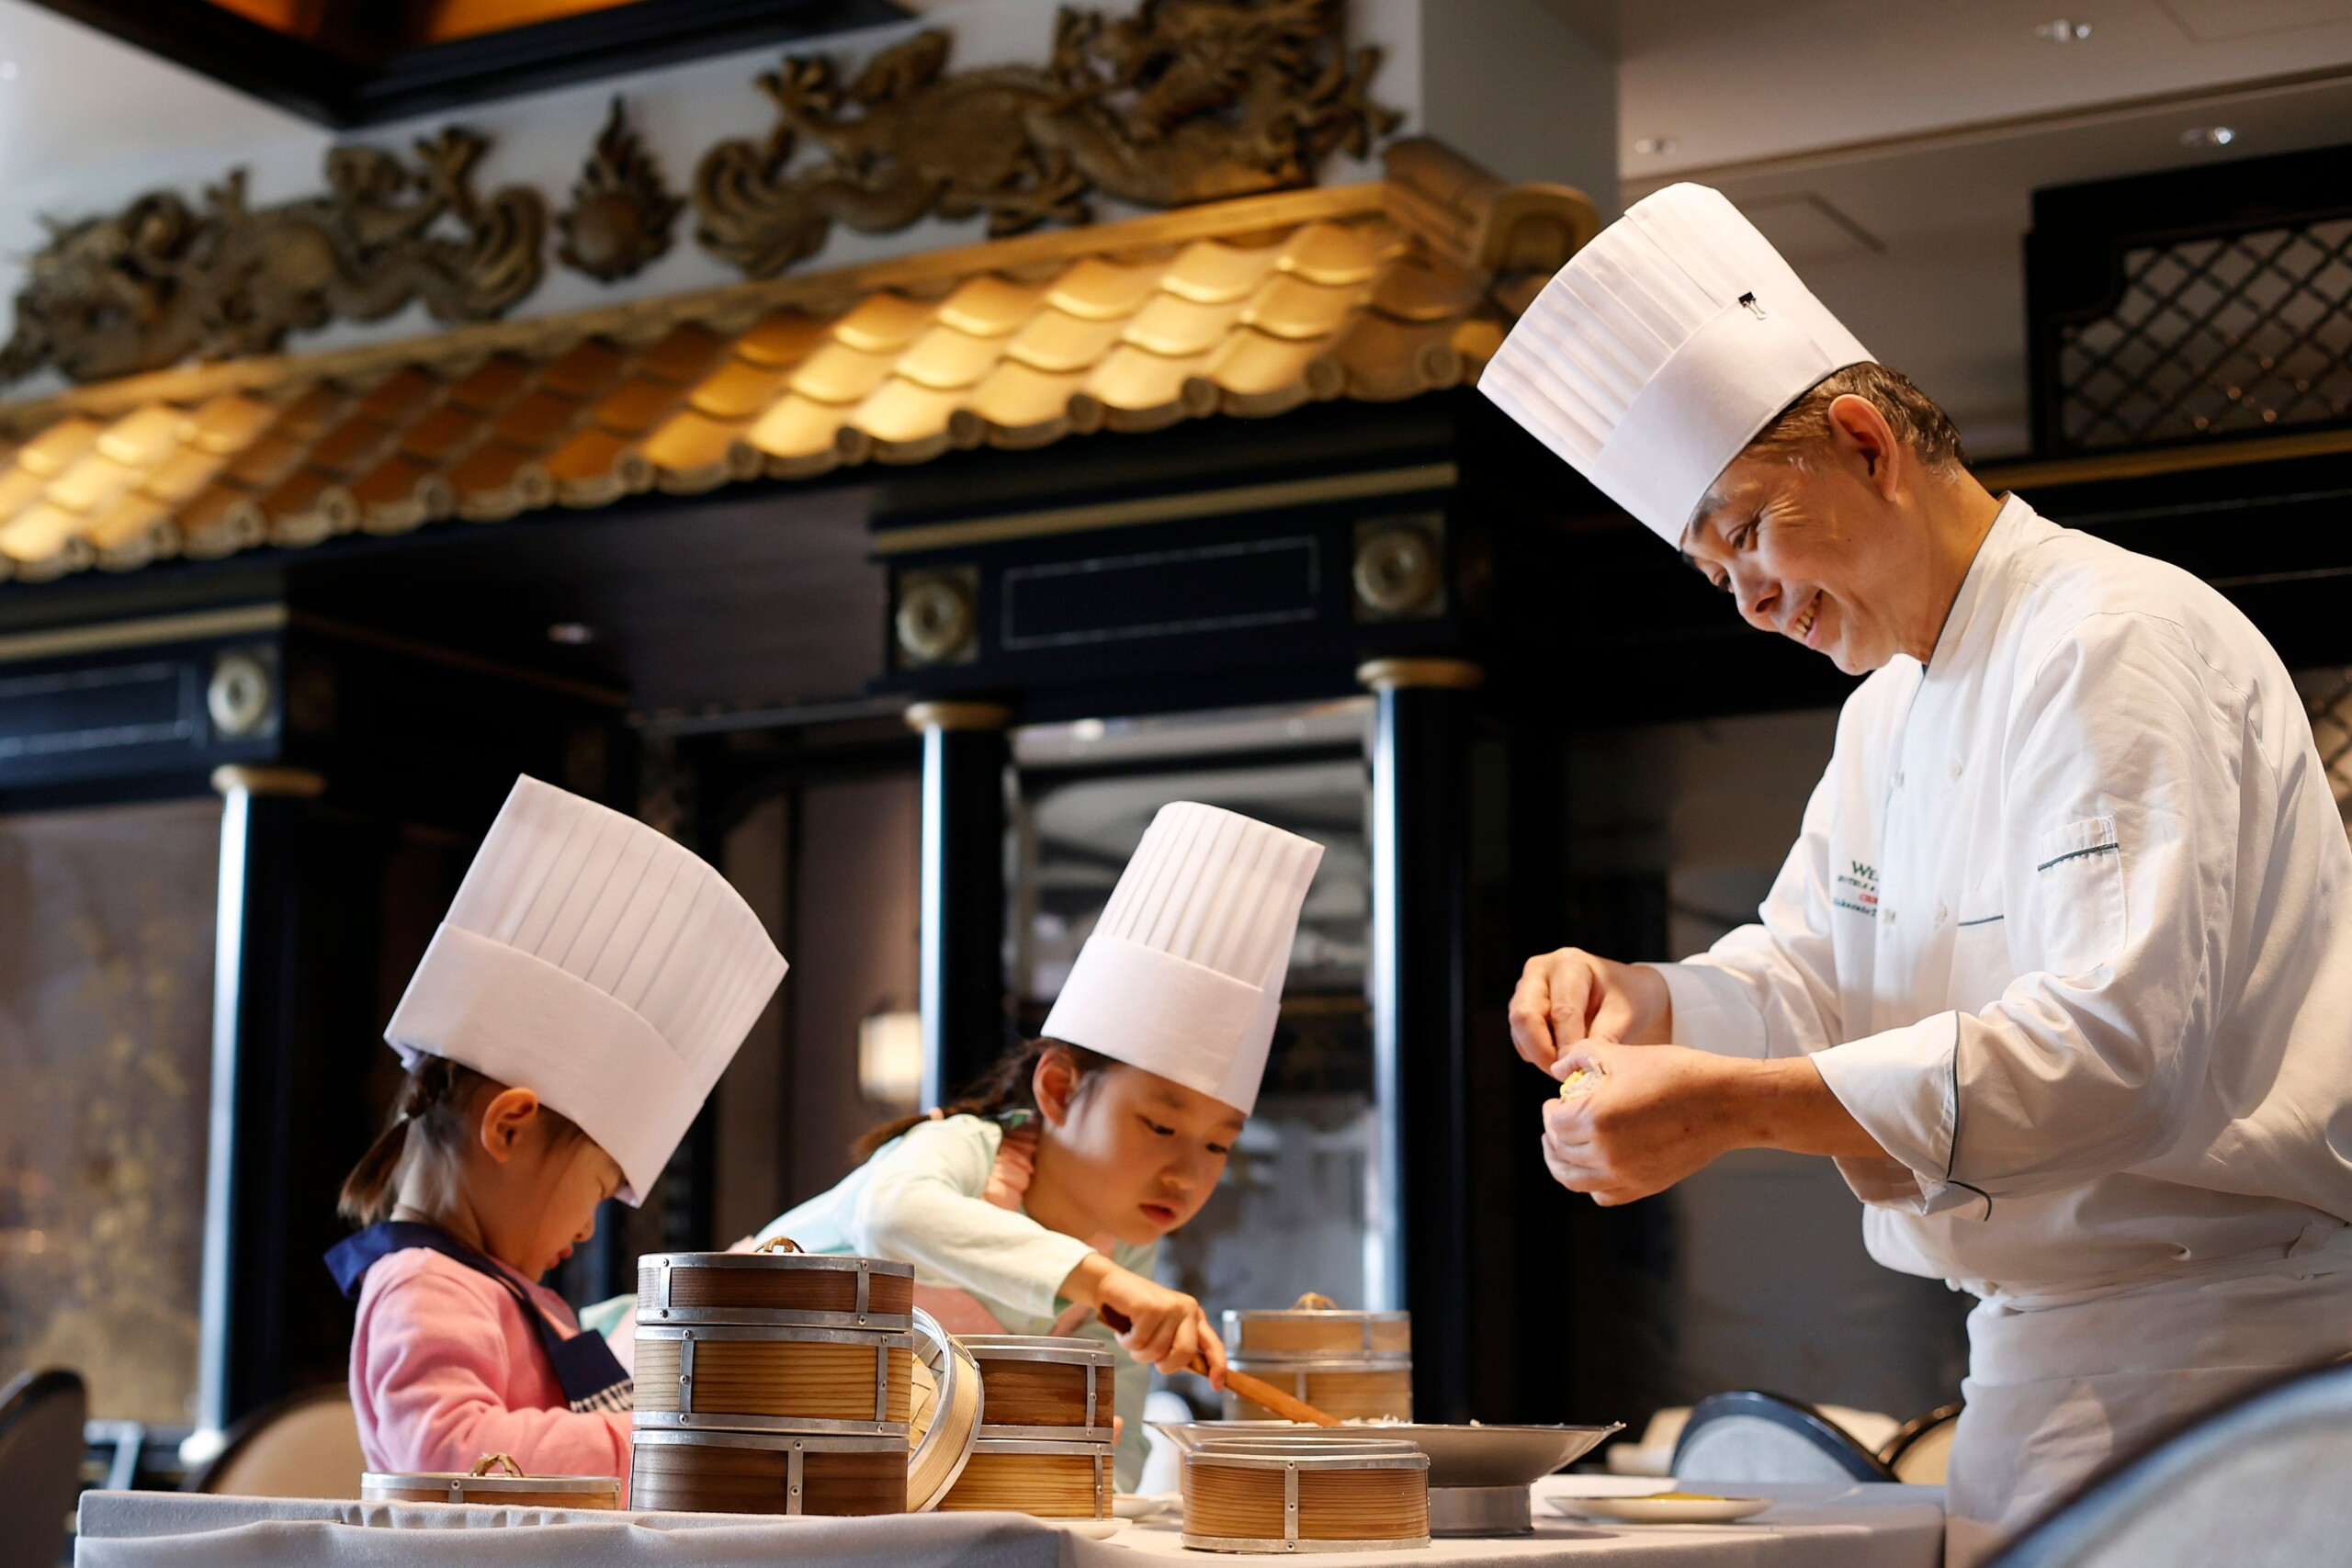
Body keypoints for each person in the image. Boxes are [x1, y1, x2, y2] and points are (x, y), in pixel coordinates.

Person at [1481, 183, 2352, 1562]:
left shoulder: (2108, 634)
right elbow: (1809, 969)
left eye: (1752, 531)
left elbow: (2117, 1052)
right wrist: (1649, 1000)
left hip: (2224, 1350)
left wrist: (1738, 1107)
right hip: (2029, 1355)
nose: (1753, 600)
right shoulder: (1886, 705)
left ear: (1869, 444)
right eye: (1718, 577)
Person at [754, 800, 1324, 1492]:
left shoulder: (1128, 1245)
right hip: (709, 1401)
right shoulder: (961, 1150)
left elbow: (1120, 1455)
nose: (1185, 1174)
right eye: (1162, 1127)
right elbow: (892, 1212)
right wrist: (1104, 1280)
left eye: (1218, 1147)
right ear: (1057, 1089)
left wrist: (1088, 1459)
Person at [328, 775, 787, 1487]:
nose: (587, 1230)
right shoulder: (422, 1283)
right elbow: (450, 1451)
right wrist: (649, 1442)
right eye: (600, 1190)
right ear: (509, 1127)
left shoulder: (492, 1286)